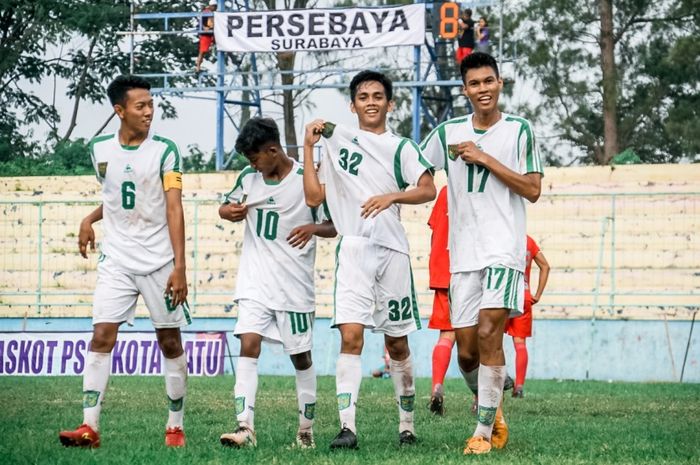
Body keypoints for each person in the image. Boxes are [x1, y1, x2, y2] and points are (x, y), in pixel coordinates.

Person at [302, 70, 436, 449]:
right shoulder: (337, 143)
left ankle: (407, 426)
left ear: (390, 104)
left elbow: (428, 189)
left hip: (392, 251)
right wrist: (308, 147)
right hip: (355, 250)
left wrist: (392, 197)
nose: (372, 101)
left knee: (397, 344)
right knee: (351, 335)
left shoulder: (402, 147)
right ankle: (348, 428)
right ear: (353, 105)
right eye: (364, 96)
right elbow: (314, 199)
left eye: (378, 96)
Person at [420, 52, 544, 455]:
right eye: (474, 84)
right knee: (466, 349)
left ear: (500, 83)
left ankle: (482, 431)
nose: (482, 89)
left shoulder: (519, 130)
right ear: (465, 90)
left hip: (503, 249)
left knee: (492, 333)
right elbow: (414, 167)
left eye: (488, 81)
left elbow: (532, 189)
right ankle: (495, 409)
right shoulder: (447, 133)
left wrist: (485, 158)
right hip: (464, 254)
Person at [59, 75, 190, 448]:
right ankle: (89, 427)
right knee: (102, 336)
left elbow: (172, 206)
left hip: (159, 261)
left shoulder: (165, 150)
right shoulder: (98, 149)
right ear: (120, 111)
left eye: (151, 104)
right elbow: (117, 197)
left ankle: (175, 426)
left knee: (168, 341)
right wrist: (89, 218)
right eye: (141, 106)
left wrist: (179, 267)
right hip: (116, 260)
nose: (149, 111)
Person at [218, 117, 336, 449]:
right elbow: (223, 207)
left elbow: (333, 225)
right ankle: (245, 428)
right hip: (255, 282)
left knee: (301, 357)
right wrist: (230, 211)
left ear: (273, 150)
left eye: (255, 159)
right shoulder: (248, 178)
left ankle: (305, 430)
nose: (252, 166)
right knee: (248, 345)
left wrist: (312, 229)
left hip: (294, 287)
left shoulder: (305, 180)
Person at [505, 235, 550, 398]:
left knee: (492, 340)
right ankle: (519, 386)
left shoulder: (503, 236)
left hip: (502, 294)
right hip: (523, 296)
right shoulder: (528, 241)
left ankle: (497, 379)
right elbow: (545, 266)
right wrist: (537, 294)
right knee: (520, 343)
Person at [426, 186, 454, 416]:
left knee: (446, 335)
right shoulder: (477, 188)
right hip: (469, 270)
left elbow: (435, 229)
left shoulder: (445, 191)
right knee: (477, 338)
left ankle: (436, 385)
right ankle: (479, 397)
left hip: (443, 272)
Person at [195, 0, 217, 74]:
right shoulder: (206, 12)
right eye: (214, 6)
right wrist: (204, 28)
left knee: (206, 50)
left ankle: (199, 65)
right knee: (202, 51)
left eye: (215, 6)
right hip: (206, 34)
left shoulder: (213, 13)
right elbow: (201, 22)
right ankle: (198, 66)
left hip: (211, 34)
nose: (215, 8)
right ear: (210, 6)